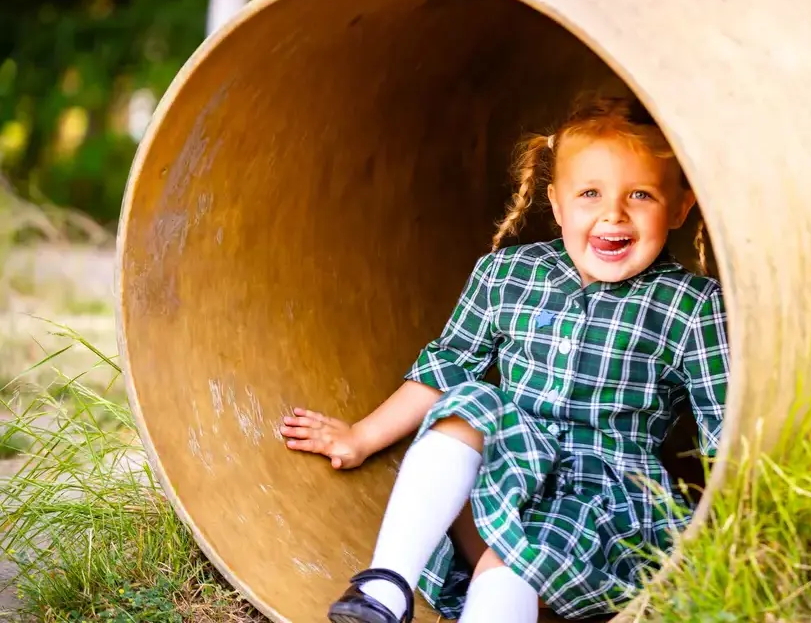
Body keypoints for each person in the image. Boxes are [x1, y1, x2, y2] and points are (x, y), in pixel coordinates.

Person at [280, 94, 731, 623]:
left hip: (607, 510)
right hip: (509, 483)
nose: (613, 213)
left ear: (680, 207)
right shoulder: (507, 276)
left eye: (641, 195)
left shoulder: (691, 304)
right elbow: (444, 370)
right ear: (557, 203)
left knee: (508, 565)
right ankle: (386, 585)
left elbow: (727, 431)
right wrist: (359, 438)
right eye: (590, 193)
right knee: (473, 399)